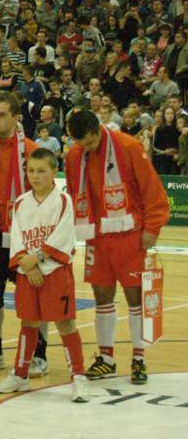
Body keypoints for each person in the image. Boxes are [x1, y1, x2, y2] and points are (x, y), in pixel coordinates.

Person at [66, 111, 170, 384]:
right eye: (80, 144)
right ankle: (107, 359)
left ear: (97, 129)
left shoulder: (129, 147)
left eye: (88, 142)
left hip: (129, 234)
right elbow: (73, 194)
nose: (85, 148)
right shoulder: (75, 155)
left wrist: (152, 228)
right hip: (96, 237)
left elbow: (152, 190)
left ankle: (138, 358)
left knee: (135, 297)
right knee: (102, 296)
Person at [0, 148, 90, 403]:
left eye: (41, 171)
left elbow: (64, 235)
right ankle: (21, 374)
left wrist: (38, 259)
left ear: (52, 171)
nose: (35, 176)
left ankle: (78, 377)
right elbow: (17, 237)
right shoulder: (22, 202)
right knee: (29, 323)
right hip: (28, 272)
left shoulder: (64, 200)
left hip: (55, 271)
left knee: (65, 324)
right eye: (31, 171)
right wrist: (28, 265)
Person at [0, 92, 41, 373]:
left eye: (2, 115)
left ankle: (40, 356)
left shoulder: (31, 151)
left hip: (23, 237)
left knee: (32, 296)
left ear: (16, 117)